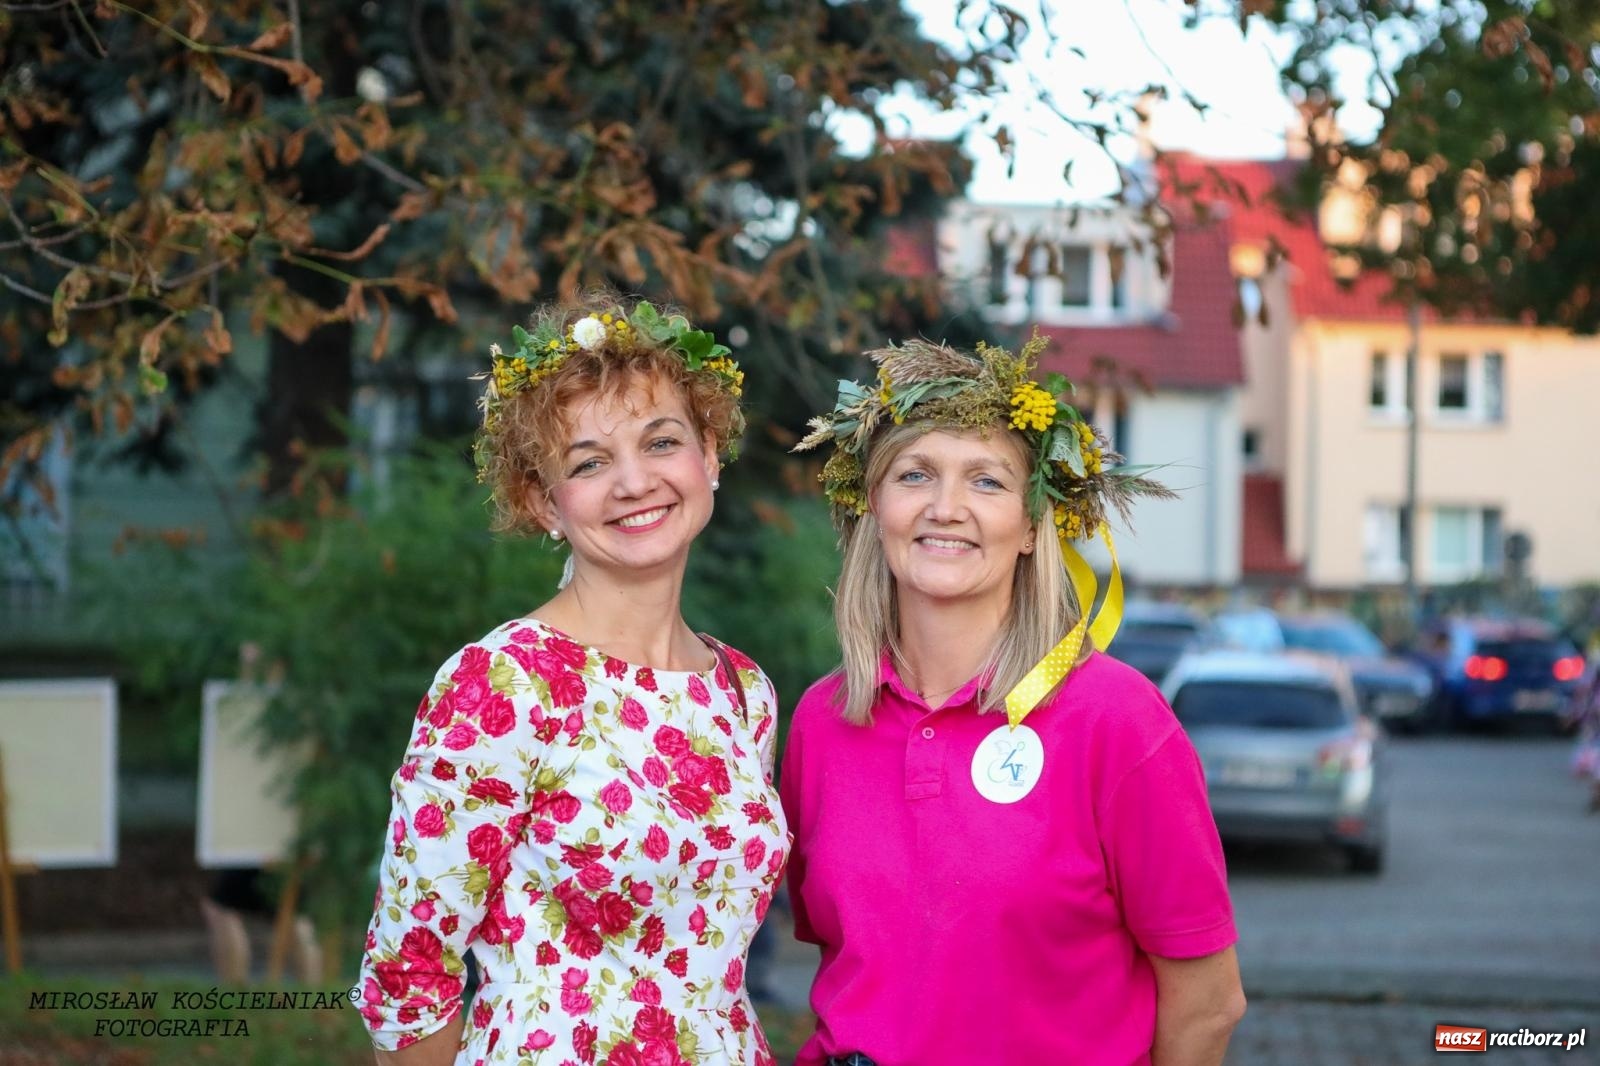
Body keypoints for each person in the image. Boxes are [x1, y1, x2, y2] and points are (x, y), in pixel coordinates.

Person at [782, 335, 1246, 1066]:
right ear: (875, 505)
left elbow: (1208, 1004)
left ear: (1033, 527)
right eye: (915, 474)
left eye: (987, 482)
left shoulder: (1117, 720)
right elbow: (855, 962)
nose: (946, 508)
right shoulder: (824, 718)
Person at [356, 295, 789, 1066]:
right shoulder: (506, 684)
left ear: (710, 455)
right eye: (589, 462)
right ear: (541, 500)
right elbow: (407, 982)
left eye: (662, 442)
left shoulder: (742, 691)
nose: (634, 482)